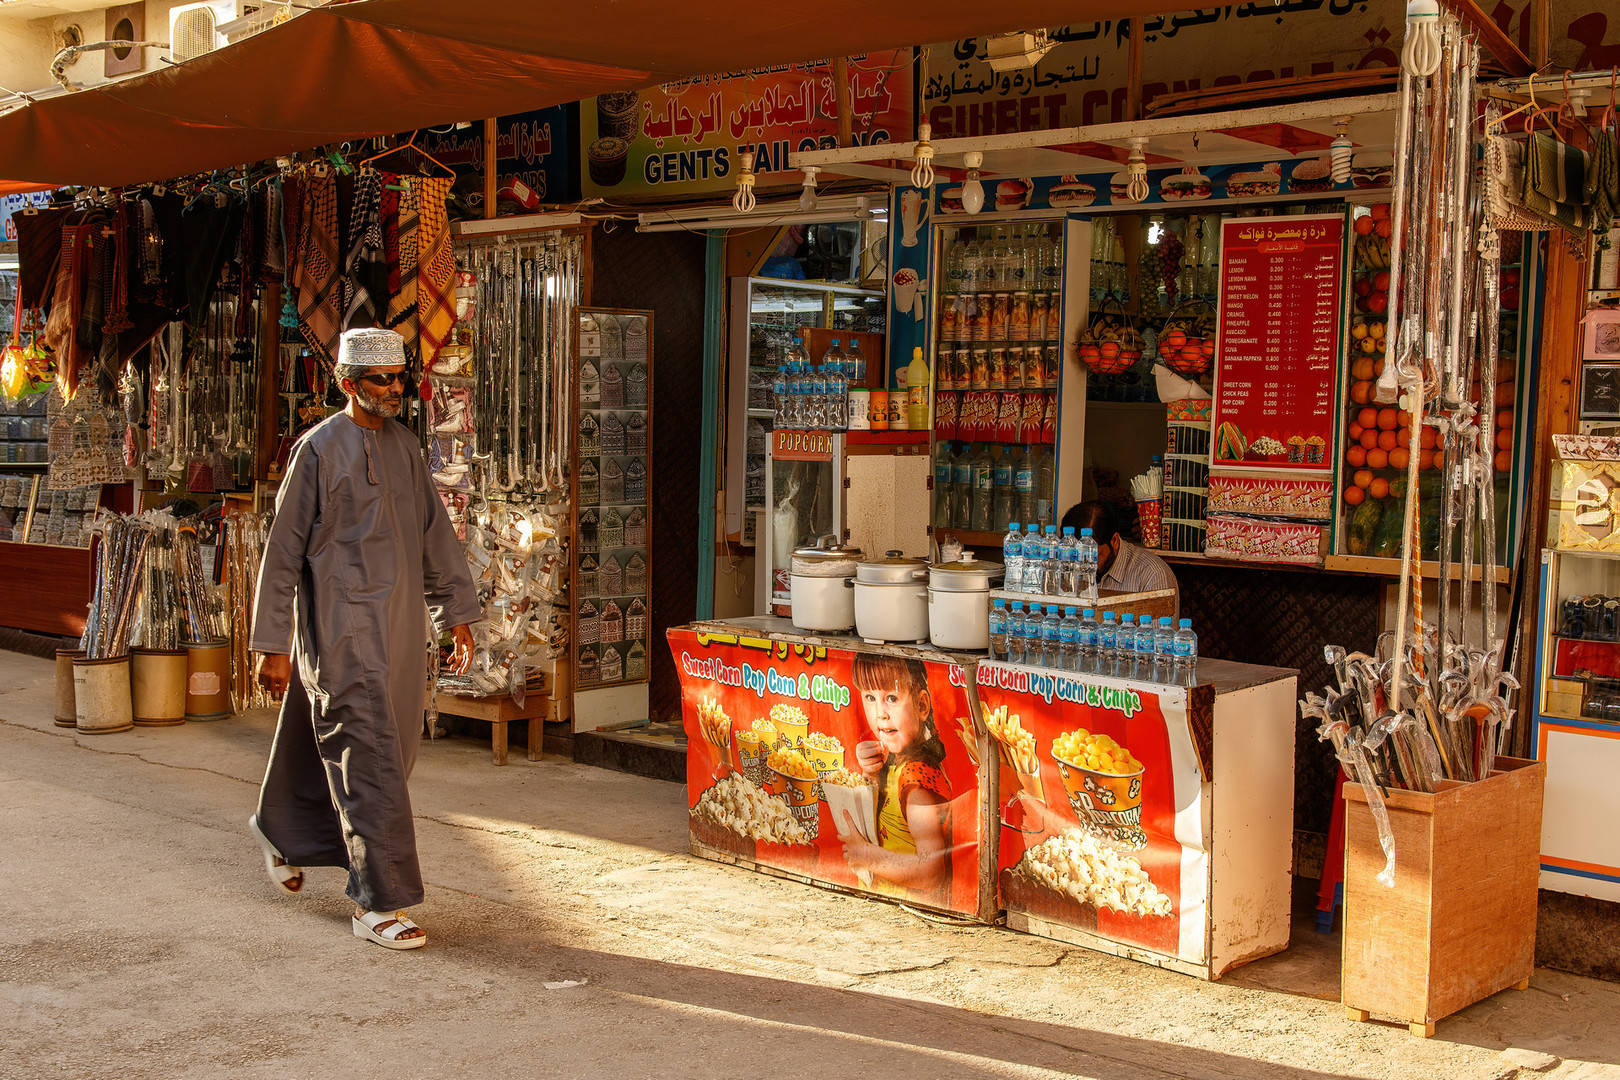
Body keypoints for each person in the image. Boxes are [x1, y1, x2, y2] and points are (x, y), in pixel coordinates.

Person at [248, 327, 480, 952]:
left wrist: (457, 614)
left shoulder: (405, 448)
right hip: (340, 632)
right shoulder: (317, 451)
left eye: (401, 379)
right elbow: (281, 554)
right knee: (371, 758)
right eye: (381, 380)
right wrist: (271, 644)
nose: (395, 390)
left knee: (374, 751)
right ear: (349, 383)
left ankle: (282, 826)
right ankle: (378, 901)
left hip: (401, 631)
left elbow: (436, 537)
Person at [838, 654, 952, 901]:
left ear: (922, 705)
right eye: (870, 697)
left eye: (891, 698)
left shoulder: (916, 780)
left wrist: (865, 856)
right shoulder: (899, 762)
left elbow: (931, 873)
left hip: (909, 909)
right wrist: (872, 774)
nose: (880, 713)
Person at [1061, 499, 1180, 616]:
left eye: (1091, 556)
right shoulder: (1064, 567)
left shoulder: (1153, 575)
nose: (1081, 565)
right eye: (1074, 555)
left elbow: (1160, 634)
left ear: (1114, 541)